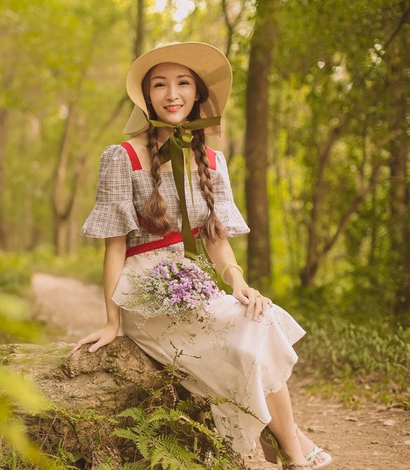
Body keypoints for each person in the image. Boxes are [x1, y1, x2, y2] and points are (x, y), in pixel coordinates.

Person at [71, 42, 333, 470]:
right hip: (142, 286)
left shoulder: (213, 159)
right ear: (146, 95)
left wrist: (239, 283)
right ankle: (293, 448)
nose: (171, 93)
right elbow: (115, 243)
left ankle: (287, 446)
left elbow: (216, 239)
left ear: (196, 94)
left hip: (190, 279)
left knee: (257, 319)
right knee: (240, 344)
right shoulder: (122, 156)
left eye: (182, 83)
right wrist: (112, 320)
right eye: (160, 84)